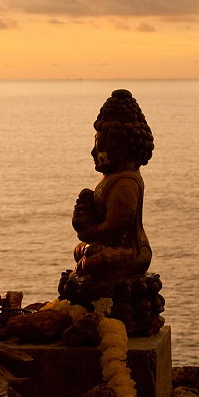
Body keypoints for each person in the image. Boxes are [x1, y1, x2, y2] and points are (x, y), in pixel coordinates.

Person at [71, 90, 153, 280]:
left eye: (100, 148)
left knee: (93, 261)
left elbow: (115, 230)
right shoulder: (110, 179)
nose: (93, 153)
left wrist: (87, 230)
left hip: (132, 251)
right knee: (81, 251)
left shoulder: (125, 183)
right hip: (111, 246)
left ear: (121, 151)